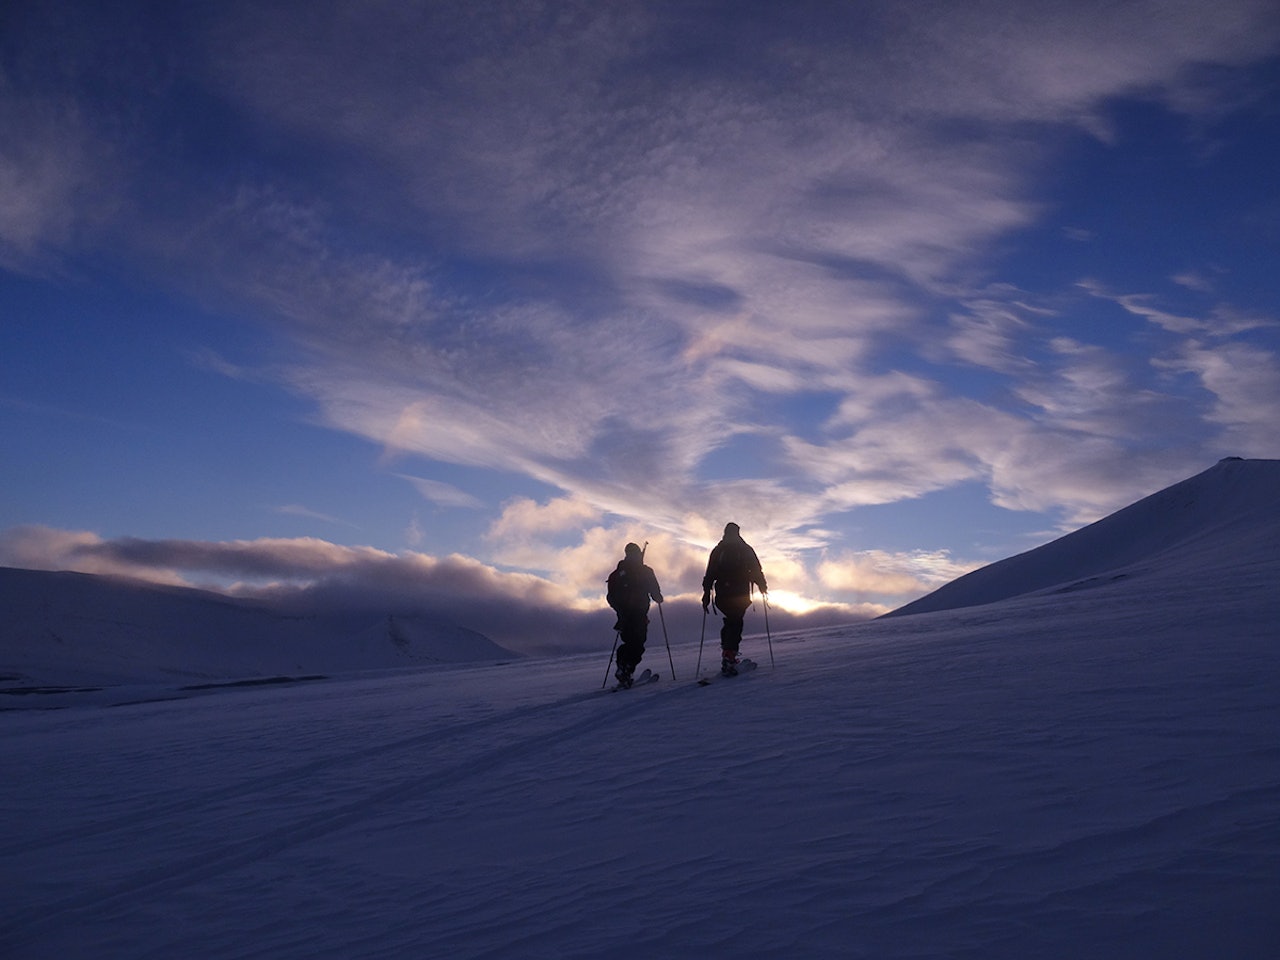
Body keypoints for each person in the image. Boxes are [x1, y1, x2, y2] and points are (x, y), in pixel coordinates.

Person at [701, 522, 768, 675]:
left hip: (722, 594)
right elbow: (756, 569)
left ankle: (727, 653)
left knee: (731, 621)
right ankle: (729, 655)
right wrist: (762, 586)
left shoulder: (718, 551)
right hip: (740, 594)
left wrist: (706, 595)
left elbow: (710, 573)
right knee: (735, 622)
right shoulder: (745, 549)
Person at [606, 542, 664, 688]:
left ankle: (622, 668)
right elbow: (655, 592)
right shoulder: (645, 571)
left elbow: (610, 596)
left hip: (623, 615)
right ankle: (626, 668)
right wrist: (658, 598)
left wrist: (619, 610)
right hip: (639, 613)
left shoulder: (617, 573)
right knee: (638, 643)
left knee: (628, 642)